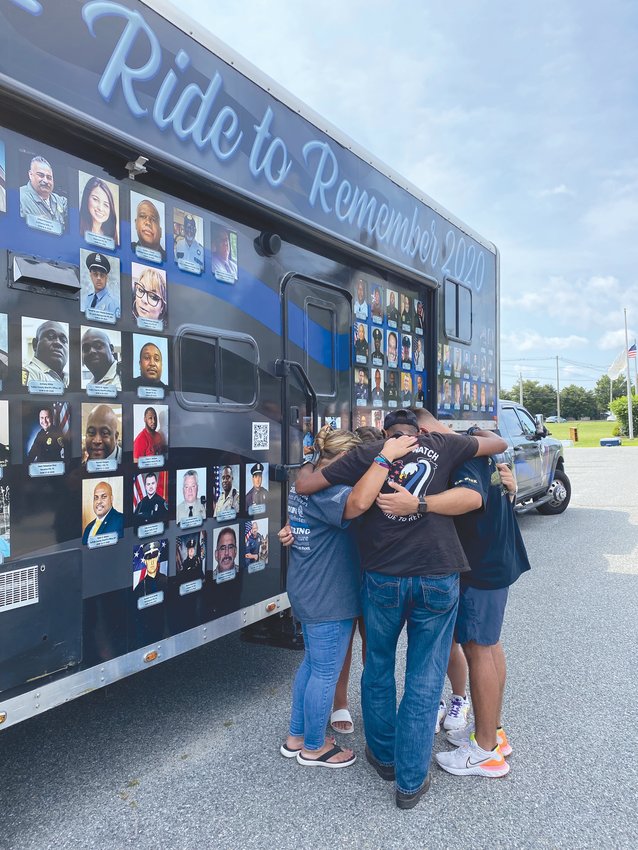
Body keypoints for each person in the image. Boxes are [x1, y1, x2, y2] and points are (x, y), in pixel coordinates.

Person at [294, 409, 507, 806]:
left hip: (383, 577)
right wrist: (470, 434)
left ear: (385, 431)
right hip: (438, 574)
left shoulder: (371, 453)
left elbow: (306, 484)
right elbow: (499, 444)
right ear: (420, 430)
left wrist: (315, 450)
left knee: (377, 666)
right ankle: (410, 782)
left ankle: (385, 757)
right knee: (425, 678)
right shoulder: (443, 444)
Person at [376, 409, 529, 778]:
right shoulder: (475, 446)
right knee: (489, 646)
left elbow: (471, 499)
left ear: (425, 430)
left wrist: (418, 505)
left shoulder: (459, 451)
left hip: (481, 565)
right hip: (496, 557)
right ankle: (494, 733)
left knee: (480, 649)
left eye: (413, 436)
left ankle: (485, 752)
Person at [279, 425, 417, 768]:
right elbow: (358, 504)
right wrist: (384, 459)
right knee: (325, 671)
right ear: (342, 458)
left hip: (306, 586)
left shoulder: (306, 479)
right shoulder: (331, 491)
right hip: (328, 592)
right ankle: (314, 747)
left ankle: (297, 735)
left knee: (312, 665)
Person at [19, 155, 67, 230]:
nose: (45, 181)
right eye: (41, 175)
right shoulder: (18, 197)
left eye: (49, 177)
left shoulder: (61, 201)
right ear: (30, 175)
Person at [22, 320, 68, 387]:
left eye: (63, 340)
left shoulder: (70, 379)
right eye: (51, 337)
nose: (58, 343)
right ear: (35, 344)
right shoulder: (27, 374)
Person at [80, 177, 119, 246]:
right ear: (86, 198)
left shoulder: (111, 237)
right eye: (95, 199)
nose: (100, 208)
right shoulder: (76, 227)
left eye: (106, 205)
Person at [83, 253, 120, 317]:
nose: (98, 278)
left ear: (106, 277)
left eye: (102, 275)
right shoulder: (88, 299)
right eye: (95, 274)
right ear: (91, 276)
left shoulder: (112, 303)